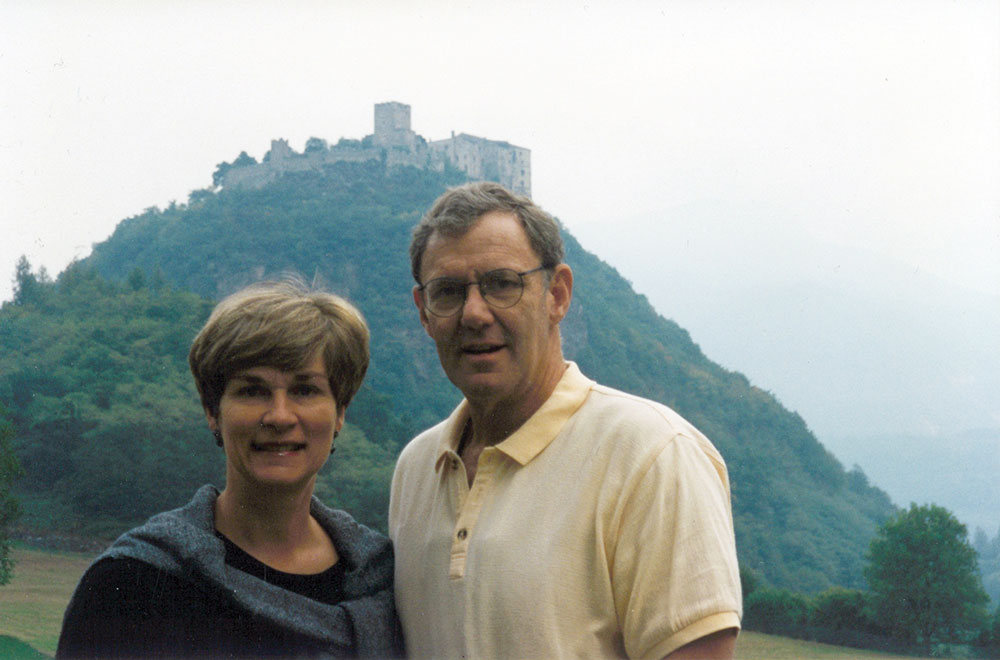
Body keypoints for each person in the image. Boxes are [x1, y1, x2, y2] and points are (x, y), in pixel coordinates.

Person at [389, 182, 742, 659]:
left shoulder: (653, 454)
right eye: (448, 292)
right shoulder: (417, 467)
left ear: (557, 295)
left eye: (501, 283)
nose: (474, 313)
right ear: (424, 313)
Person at [58, 279, 403, 659]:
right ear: (212, 412)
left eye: (305, 390)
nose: (279, 416)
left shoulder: (381, 582)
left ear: (340, 413)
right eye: (251, 391)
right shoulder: (132, 583)